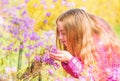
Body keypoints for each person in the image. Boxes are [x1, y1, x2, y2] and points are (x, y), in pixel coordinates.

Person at [49, 8, 120, 81]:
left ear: (76, 32)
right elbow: (79, 74)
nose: (60, 37)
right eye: (59, 33)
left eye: (63, 33)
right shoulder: (82, 44)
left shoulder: (99, 46)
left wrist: (71, 60)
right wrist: (68, 61)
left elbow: (93, 78)